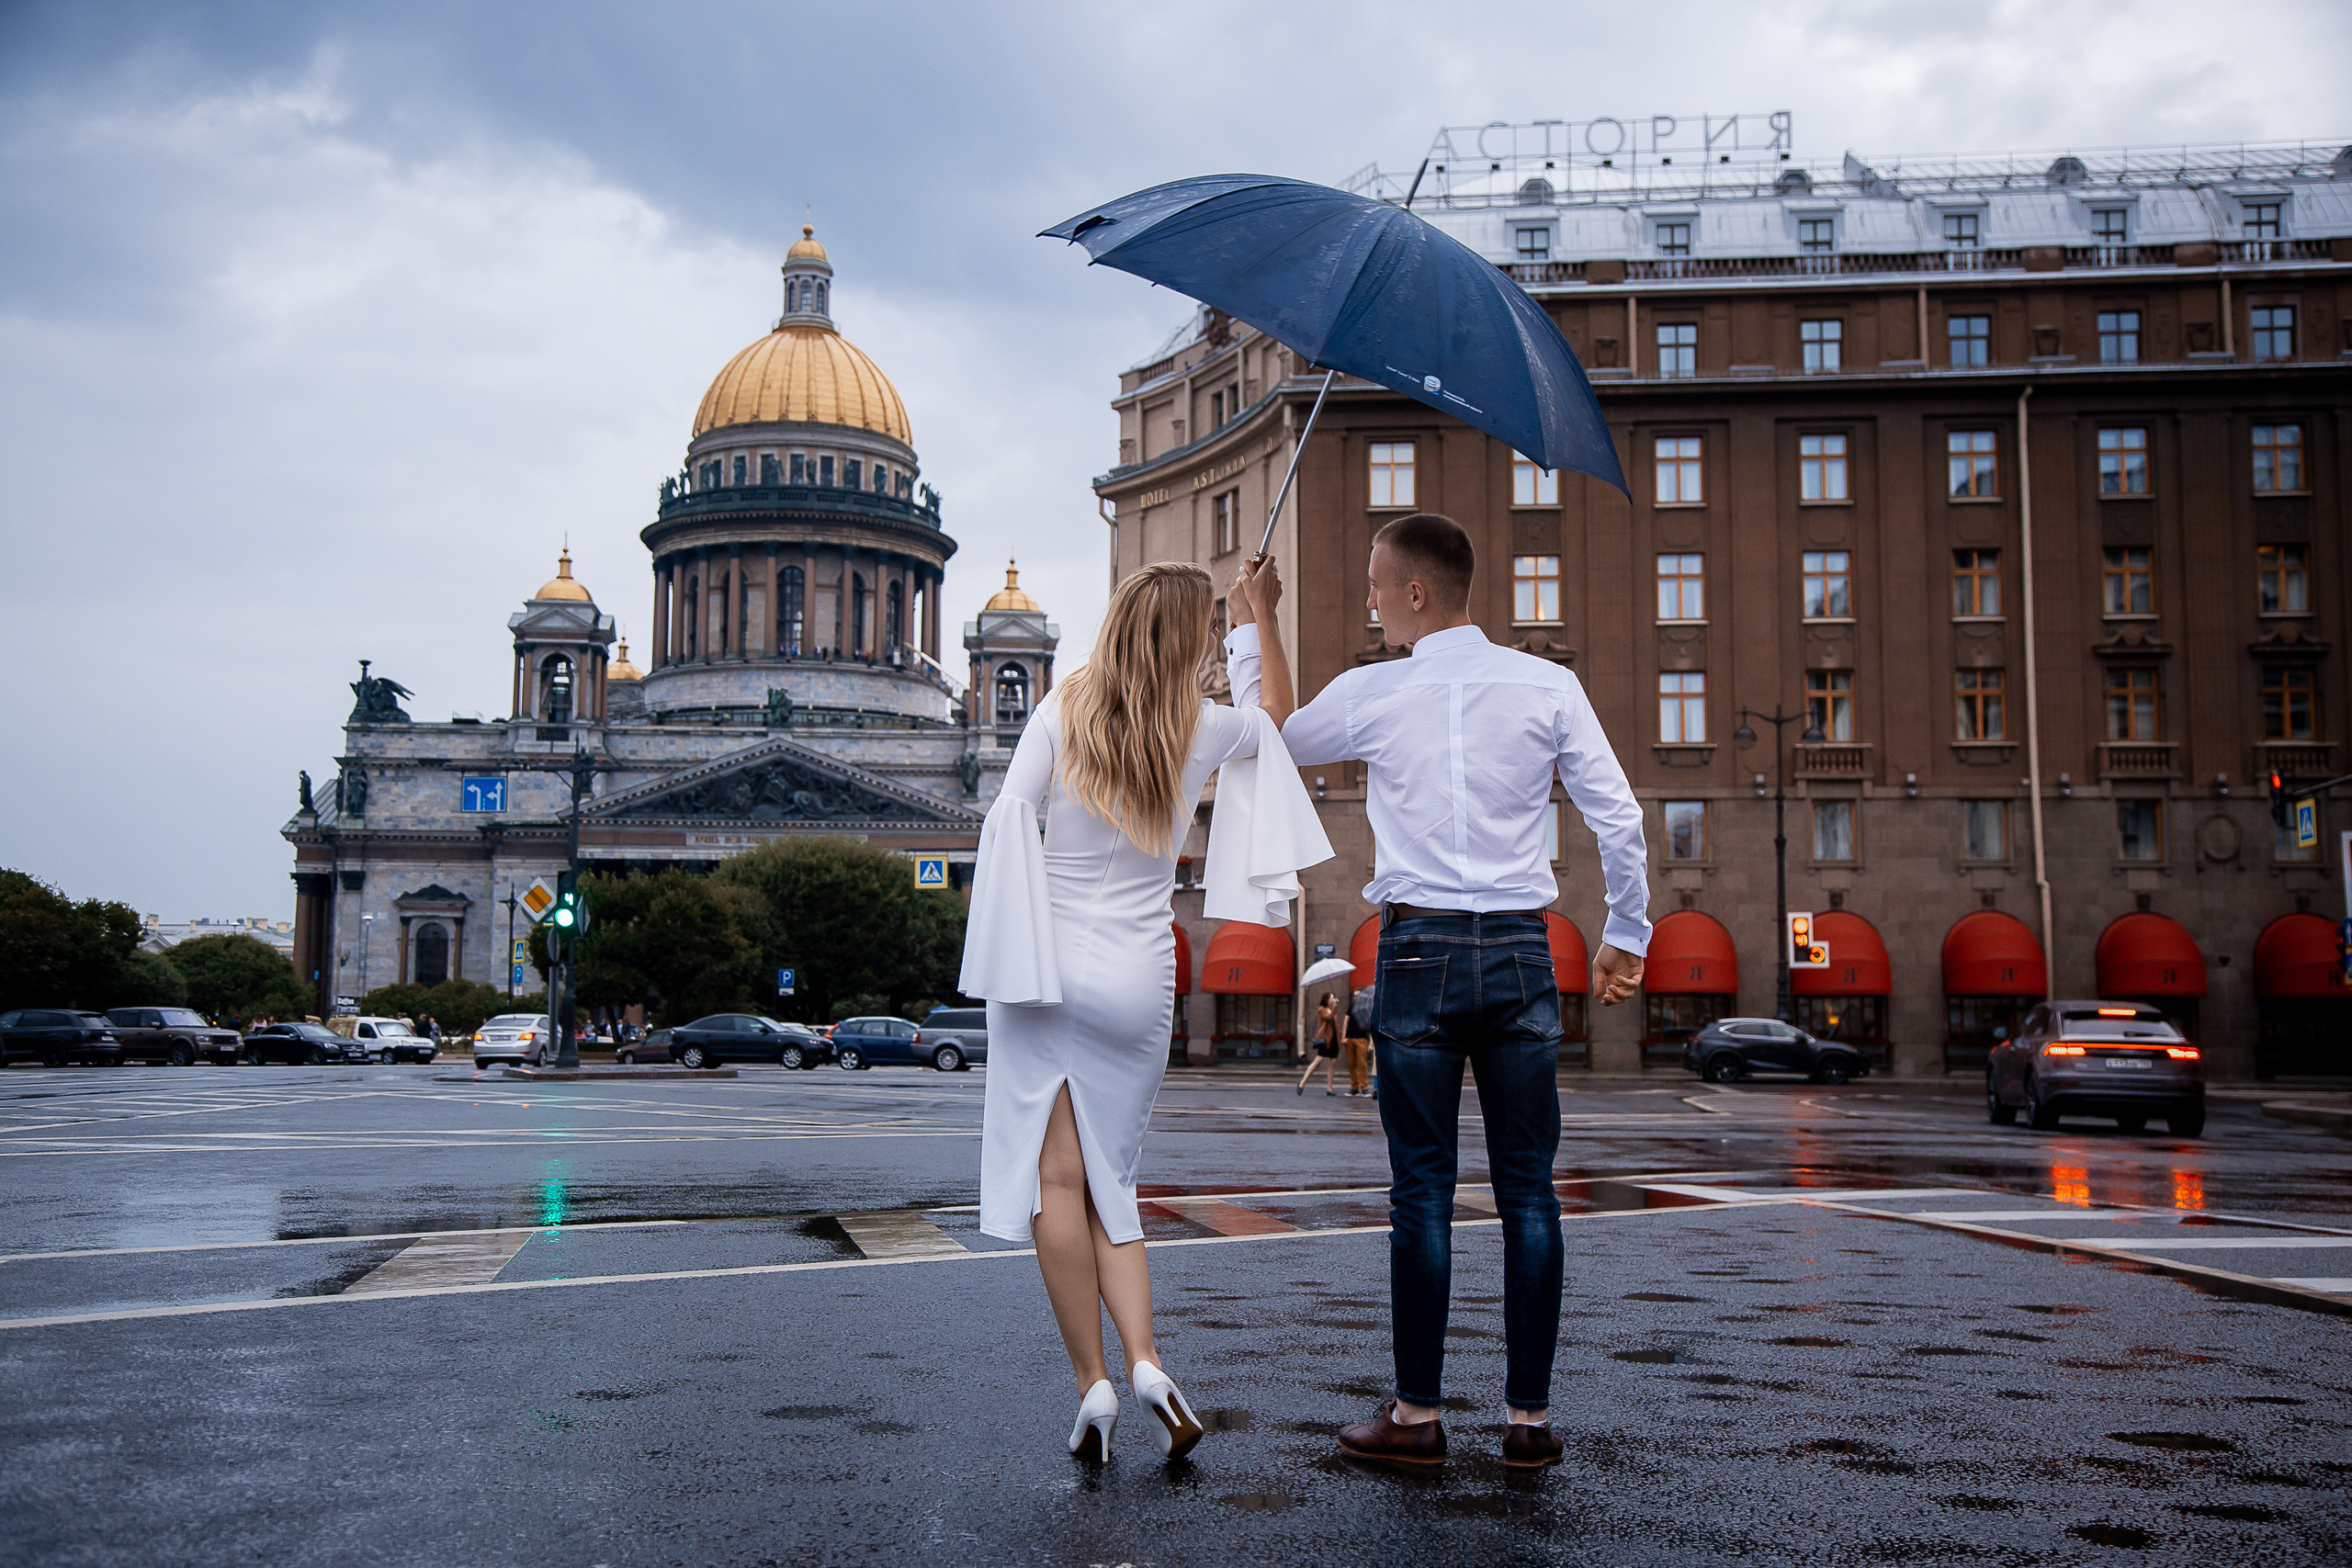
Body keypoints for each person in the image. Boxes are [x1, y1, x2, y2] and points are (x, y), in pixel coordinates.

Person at [1227, 514, 1649, 1472]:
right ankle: (1528, 1423)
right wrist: (1625, 935)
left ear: (1416, 592)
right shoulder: (1549, 685)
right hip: (1518, 952)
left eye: (1378, 586)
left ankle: (1416, 1417)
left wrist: (1259, 620)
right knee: (1528, 1192)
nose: (1372, 603)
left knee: (1421, 1191)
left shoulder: (1378, 690)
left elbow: (1277, 738)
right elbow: (1616, 813)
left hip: (1416, 953)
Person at [960, 560, 1330, 1464]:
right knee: (1112, 1183)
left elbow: (1007, 818)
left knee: (1055, 1179)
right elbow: (1277, 725)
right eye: (1203, 629)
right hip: (1136, 972)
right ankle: (1147, 1361)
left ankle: (1091, 1381)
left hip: (1044, 965)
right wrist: (1257, 622)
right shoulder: (1197, 727)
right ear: (1186, 639)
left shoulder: (1061, 709)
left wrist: (1006, 951)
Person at [1297, 994, 1340, 1096]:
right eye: (1331, 998)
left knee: (1332, 1063)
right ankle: (1302, 1082)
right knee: (1318, 1061)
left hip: (1334, 1039)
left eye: (1334, 998)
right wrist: (1334, 1007)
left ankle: (1329, 1088)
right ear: (1327, 999)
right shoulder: (1322, 1009)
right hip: (1326, 1039)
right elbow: (1329, 1018)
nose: (1333, 999)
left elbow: (1335, 1024)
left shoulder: (1331, 1009)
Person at [1343, 986, 1373, 1098]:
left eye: (1358, 996)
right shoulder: (1351, 1008)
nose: (1356, 998)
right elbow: (1346, 1021)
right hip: (1350, 1037)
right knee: (1351, 1064)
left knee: (1362, 1063)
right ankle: (1354, 1087)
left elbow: (1370, 1026)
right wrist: (1344, 1037)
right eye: (1354, 996)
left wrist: (1371, 1042)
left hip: (1361, 1038)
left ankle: (1364, 1087)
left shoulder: (1366, 1008)